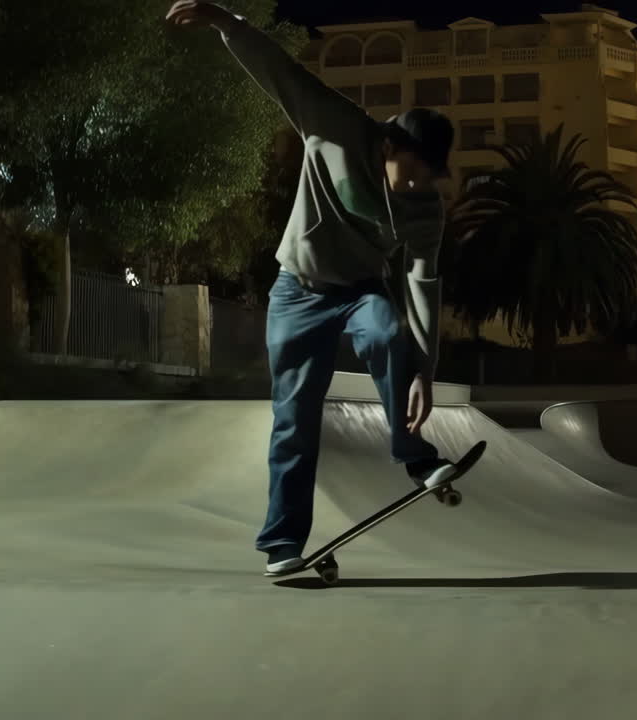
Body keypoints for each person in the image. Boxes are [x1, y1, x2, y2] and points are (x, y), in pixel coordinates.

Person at [165, 2, 463, 575]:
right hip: (296, 294)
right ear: (388, 147)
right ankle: (282, 544)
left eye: (429, 179)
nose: (418, 187)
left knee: (388, 329)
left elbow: (422, 283)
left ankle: (416, 458)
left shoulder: (427, 209)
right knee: (294, 421)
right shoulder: (336, 125)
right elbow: (280, 71)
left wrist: (424, 369)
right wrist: (227, 22)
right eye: (413, 172)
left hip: (358, 292)